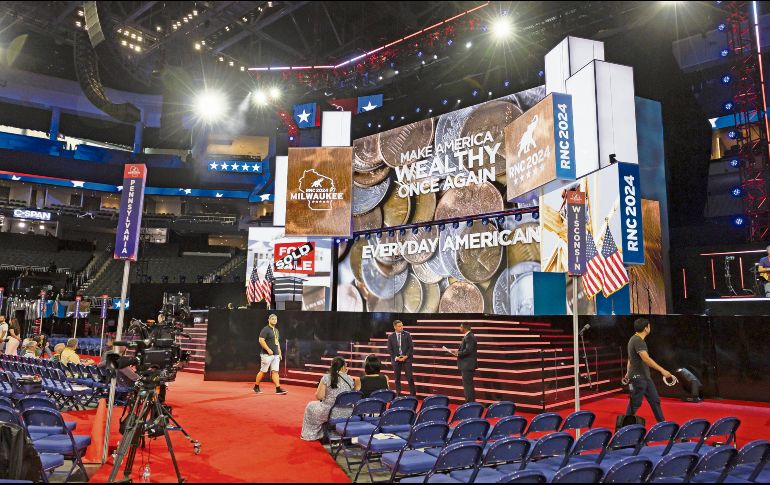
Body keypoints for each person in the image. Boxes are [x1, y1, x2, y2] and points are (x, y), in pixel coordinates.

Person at [624, 318, 673, 423]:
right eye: (649, 326)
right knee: (635, 404)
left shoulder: (633, 339)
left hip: (645, 378)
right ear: (646, 328)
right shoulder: (638, 341)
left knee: (655, 401)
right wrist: (662, 370)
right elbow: (646, 359)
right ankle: (622, 429)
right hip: (638, 379)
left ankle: (662, 425)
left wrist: (628, 373)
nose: (650, 328)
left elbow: (630, 359)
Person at [301, 356, 358, 441]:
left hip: (331, 412)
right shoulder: (349, 378)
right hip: (348, 413)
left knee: (310, 406)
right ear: (343, 367)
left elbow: (319, 396)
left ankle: (311, 435)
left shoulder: (327, 377)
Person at [254, 314, 288, 395]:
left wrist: (279, 353)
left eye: (275, 319)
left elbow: (277, 342)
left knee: (275, 372)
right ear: (269, 320)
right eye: (272, 319)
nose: (274, 320)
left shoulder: (276, 330)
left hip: (276, 355)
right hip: (266, 355)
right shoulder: (265, 329)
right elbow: (261, 340)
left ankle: (278, 388)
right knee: (263, 371)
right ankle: (256, 386)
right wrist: (268, 349)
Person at [448, 322, 477, 403]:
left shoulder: (469, 337)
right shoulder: (469, 336)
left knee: (468, 386)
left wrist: (458, 353)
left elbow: (468, 350)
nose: (459, 328)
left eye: (460, 327)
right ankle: (470, 402)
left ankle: (469, 403)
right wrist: (457, 351)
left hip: (467, 365)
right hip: (468, 365)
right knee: (469, 385)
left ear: (465, 328)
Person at [387, 320, 416, 396]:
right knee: (397, 379)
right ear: (395, 327)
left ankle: (413, 395)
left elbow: (411, 347)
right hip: (396, 360)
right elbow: (389, 349)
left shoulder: (407, 334)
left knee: (410, 378)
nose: (401, 327)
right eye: (399, 326)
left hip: (407, 359)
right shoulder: (391, 336)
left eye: (402, 325)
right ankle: (398, 395)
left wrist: (406, 356)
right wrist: (396, 357)